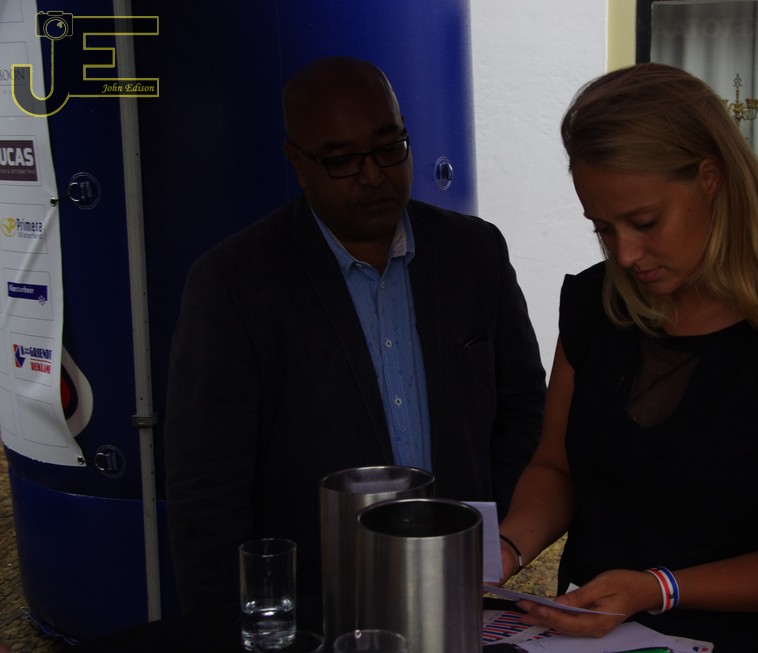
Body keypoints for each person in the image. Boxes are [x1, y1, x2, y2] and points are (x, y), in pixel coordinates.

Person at [495, 63, 758, 652]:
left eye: (645, 222)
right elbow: (556, 469)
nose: (625, 254)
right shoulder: (596, 305)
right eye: (603, 228)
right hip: (584, 634)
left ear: (711, 177)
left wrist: (658, 588)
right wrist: (503, 551)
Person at [164, 57, 545, 613]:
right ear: (298, 163)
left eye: (389, 148)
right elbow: (206, 488)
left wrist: (490, 542)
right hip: (319, 606)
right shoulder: (235, 286)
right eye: (341, 160)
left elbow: (523, 409)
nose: (373, 176)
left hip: (459, 587)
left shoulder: (474, 254)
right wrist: (229, 624)